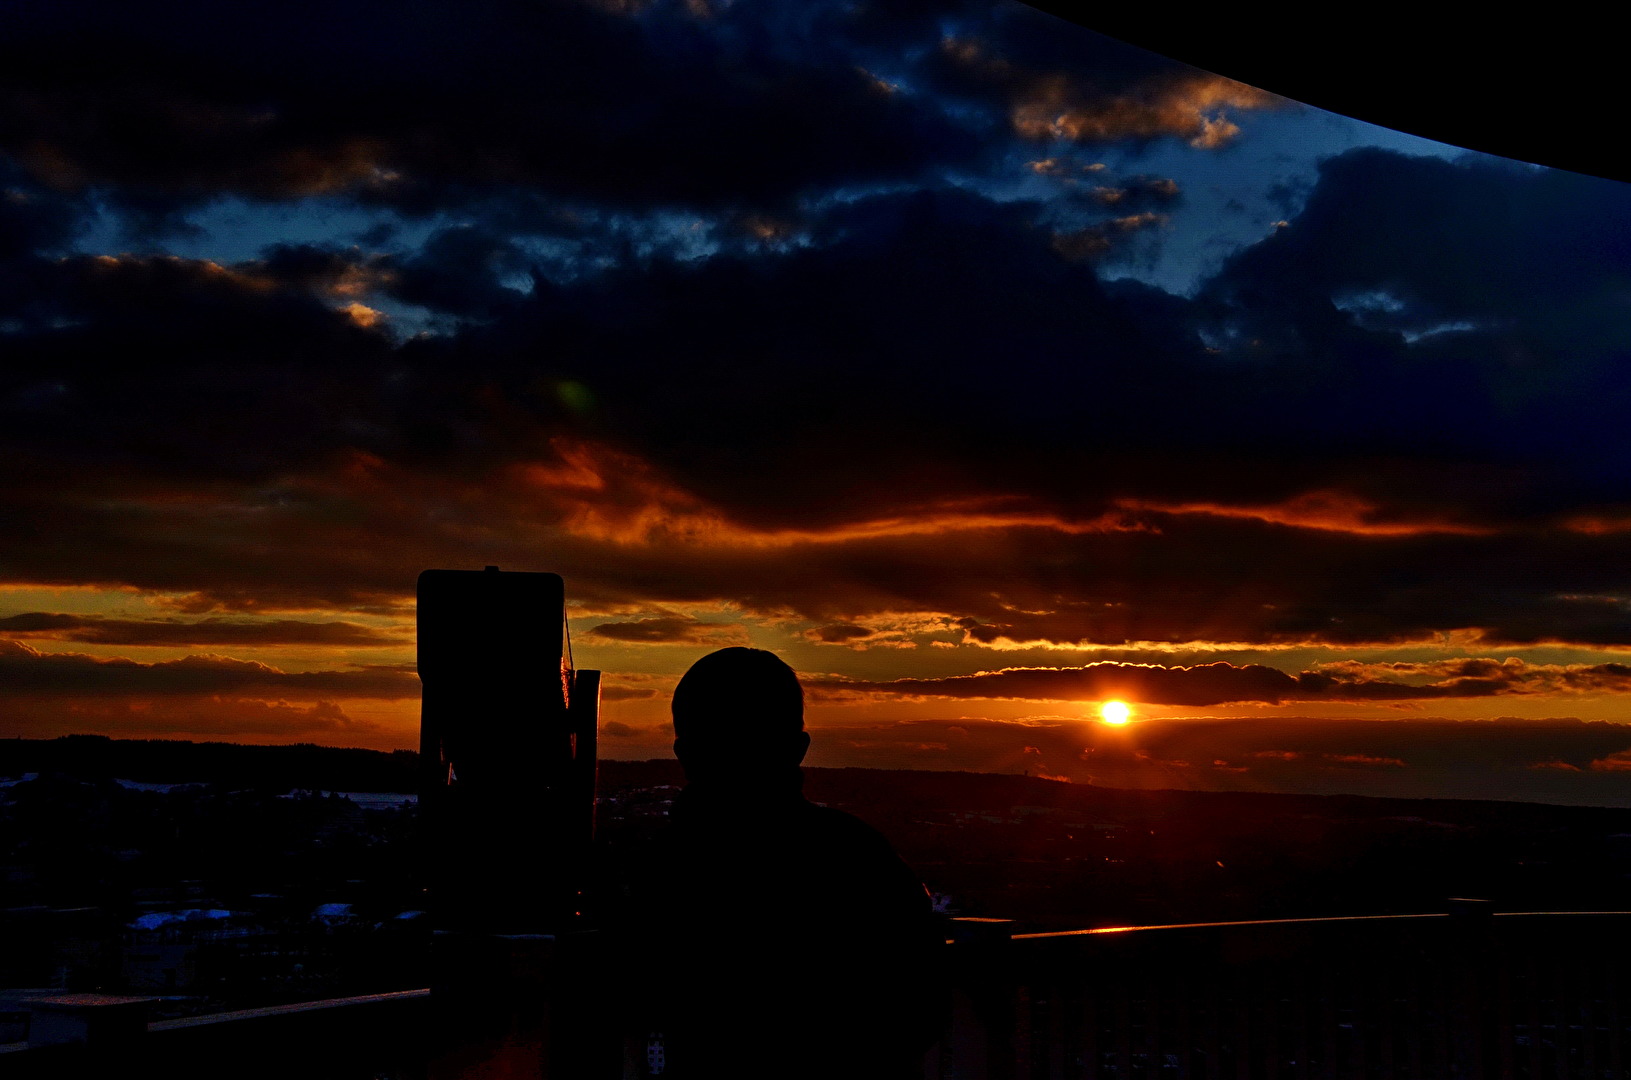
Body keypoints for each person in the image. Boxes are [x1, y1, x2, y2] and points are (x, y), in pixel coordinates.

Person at [642, 647, 944, 1080]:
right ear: (798, 749)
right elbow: (920, 1004)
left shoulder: (665, 866)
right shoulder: (858, 854)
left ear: (684, 752)